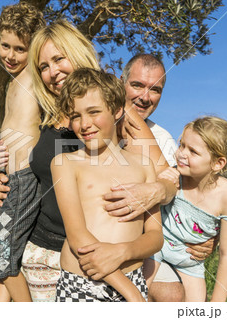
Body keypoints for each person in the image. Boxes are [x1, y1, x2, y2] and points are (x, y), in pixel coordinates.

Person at [0, 20, 175, 302]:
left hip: (102, 254)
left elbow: (167, 175)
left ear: (77, 52)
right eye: (43, 66)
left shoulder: (115, 110)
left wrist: (156, 190)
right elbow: (27, 170)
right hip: (45, 250)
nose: (53, 72)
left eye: (59, 59)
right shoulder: (42, 110)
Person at [52, 68, 163, 302]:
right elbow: (77, 236)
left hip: (132, 279)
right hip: (82, 285)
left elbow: (155, 237)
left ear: (117, 111)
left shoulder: (144, 165)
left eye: (94, 112)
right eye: (75, 115)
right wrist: (133, 295)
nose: (84, 124)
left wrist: (123, 251)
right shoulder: (65, 163)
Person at [145, 116, 227, 302]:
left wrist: (217, 303)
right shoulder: (172, 177)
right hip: (156, 249)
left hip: (190, 264)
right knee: (138, 295)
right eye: (181, 145)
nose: (181, 154)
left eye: (193, 151)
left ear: (217, 163)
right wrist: (160, 181)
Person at [0, 3, 45, 302]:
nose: (9, 55)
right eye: (4, 45)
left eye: (19, 49)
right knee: (8, 254)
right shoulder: (13, 82)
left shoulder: (37, 77)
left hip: (25, 179)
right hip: (11, 180)